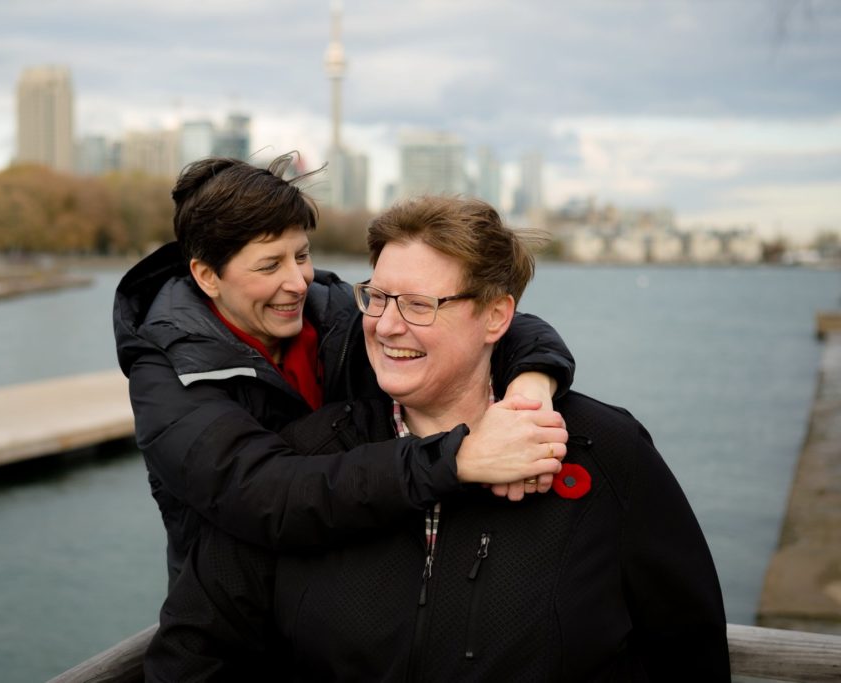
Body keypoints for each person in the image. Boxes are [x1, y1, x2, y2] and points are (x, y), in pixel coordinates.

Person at [149, 195, 730, 681]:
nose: (386, 324)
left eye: (420, 305)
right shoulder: (306, 458)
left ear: (496, 318)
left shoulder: (605, 451)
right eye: (376, 297)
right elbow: (194, 656)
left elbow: (688, 648)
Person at [113, 154, 573, 591]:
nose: (297, 281)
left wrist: (528, 393)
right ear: (207, 276)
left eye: (301, 255)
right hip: (235, 614)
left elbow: (486, 327)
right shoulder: (168, 375)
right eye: (270, 265)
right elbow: (269, 496)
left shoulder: (330, 313)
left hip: (343, 598)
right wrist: (456, 459)